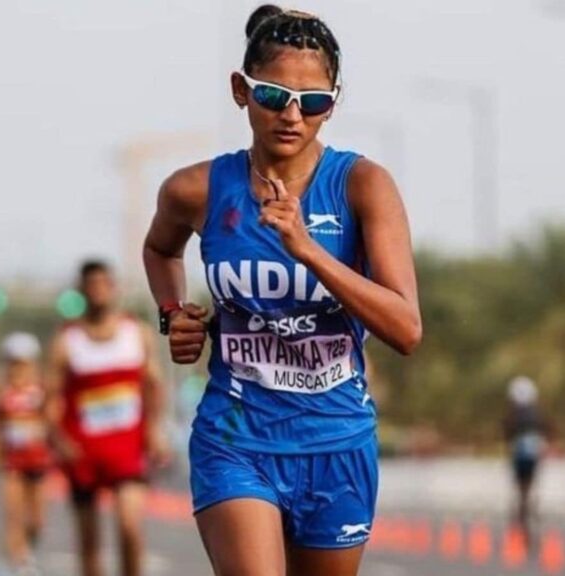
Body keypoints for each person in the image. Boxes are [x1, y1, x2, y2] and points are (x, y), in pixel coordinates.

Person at [141, 6, 421, 575]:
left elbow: (406, 328)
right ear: (241, 91)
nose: (292, 116)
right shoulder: (196, 189)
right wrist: (173, 312)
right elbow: (161, 249)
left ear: (332, 104)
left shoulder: (362, 186)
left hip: (336, 441)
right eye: (273, 96)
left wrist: (308, 249)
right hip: (236, 436)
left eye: (312, 102)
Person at [46, 260, 171, 576]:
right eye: (91, 285)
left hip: (128, 449)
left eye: (103, 283)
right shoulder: (67, 340)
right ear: (81, 290)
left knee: (129, 526)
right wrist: (59, 440)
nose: (98, 290)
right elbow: (52, 399)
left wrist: (155, 431)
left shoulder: (135, 333)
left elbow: (153, 385)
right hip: (83, 453)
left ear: (113, 287)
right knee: (89, 541)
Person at [0, 332, 53, 576]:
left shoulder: (42, 390)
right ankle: (19, 563)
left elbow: (52, 420)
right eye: (13, 363)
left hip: (38, 461)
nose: (18, 368)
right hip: (12, 462)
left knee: (36, 520)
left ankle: (28, 550)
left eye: (23, 363)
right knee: (13, 514)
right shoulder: (1, 391)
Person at [502, 376, 549, 546]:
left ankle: (520, 526)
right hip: (532, 457)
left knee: (521, 493)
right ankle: (530, 525)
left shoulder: (513, 415)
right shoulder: (537, 414)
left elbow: (507, 433)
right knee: (529, 492)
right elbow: (545, 432)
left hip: (520, 457)